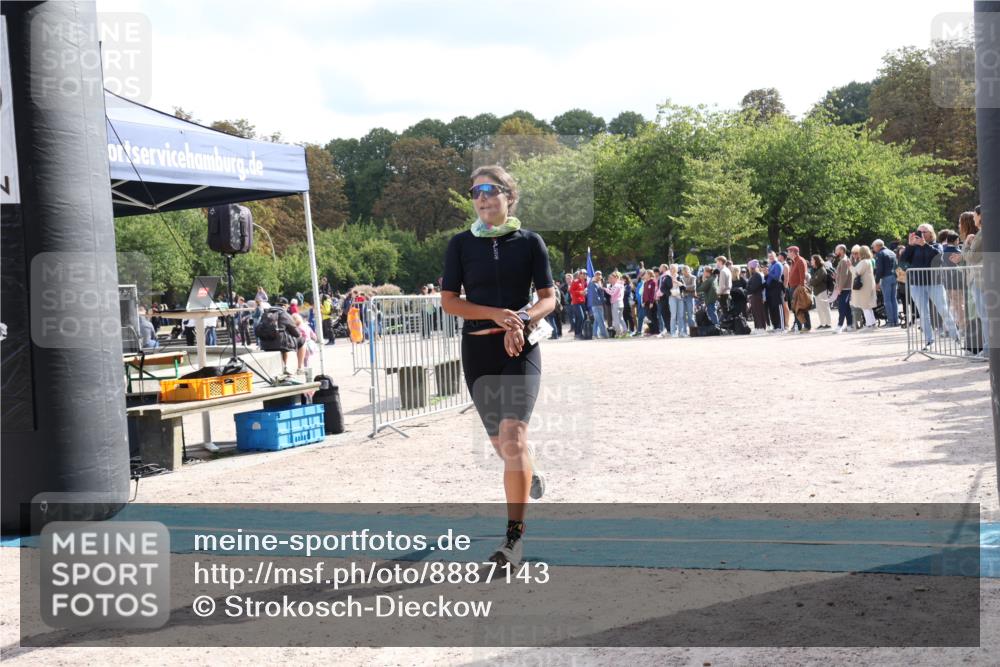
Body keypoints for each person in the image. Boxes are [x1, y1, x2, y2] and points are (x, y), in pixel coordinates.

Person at [440, 165, 556, 567]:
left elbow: (548, 298)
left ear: (509, 195)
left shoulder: (530, 242)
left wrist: (521, 321)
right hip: (478, 351)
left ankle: (512, 541)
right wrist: (495, 315)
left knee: (513, 436)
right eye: (475, 193)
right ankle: (528, 465)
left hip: (521, 349)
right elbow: (450, 302)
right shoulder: (459, 245)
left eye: (490, 190)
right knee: (502, 445)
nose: (482, 198)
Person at [902, 223, 960, 349]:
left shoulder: (936, 245)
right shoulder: (914, 247)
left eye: (924, 231)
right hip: (916, 284)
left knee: (943, 310)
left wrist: (925, 245)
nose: (921, 234)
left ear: (931, 233)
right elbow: (903, 260)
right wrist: (910, 245)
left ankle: (956, 337)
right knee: (923, 313)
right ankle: (929, 340)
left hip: (935, 283)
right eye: (919, 231)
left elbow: (938, 258)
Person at [963, 206, 989, 357]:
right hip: (980, 279)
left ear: (980, 216)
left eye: (974, 216)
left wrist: (966, 244)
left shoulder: (982, 234)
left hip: (980, 280)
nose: (973, 219)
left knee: (985, 315)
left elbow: (971, 257)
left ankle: (987, 350)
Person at [255, 300, 302, 375]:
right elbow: (296, 332)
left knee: (281, 343)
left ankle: (276, 370)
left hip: (265, 344)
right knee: (302, 341)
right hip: (281, 345)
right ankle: (294, 367)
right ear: (284, 306)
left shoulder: (265, 313)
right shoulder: (284, 314)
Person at [850, 245, 878, 331]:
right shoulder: (869, 261)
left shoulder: (863, 262)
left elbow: (856, 272)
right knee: (868, 306)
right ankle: (872, 324)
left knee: (865, 306)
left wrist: (850, 266)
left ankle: (869, 325)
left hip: (864, 288)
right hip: (869, 286)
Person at [873, 239, 899, 327]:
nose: (873, 249)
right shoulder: (892, 252)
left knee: (887, 300)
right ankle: (896, 321)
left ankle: (891, 321)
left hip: (886, 278)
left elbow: (879, 269)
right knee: (893, 299)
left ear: (878, 246)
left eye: (873, 247)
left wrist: (876, 282)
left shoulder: (880, 254)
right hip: (894, 277)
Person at [830, 244, 854, 334]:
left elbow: (844, 276)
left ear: (841, 250)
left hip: (844, 288)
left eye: (836, 250)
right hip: (844, 287)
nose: (835, 252)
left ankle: (839, 326)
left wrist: (839, 288)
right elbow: (842, 275)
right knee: (846, 307)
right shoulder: (843, 260)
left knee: (842, 307)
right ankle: (849, 325)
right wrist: (836, 276)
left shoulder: (844, 260)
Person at [785, 246, 810, 331]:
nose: (787, 253)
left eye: (789, 251)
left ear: (793, 252)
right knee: (795, 308)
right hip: (793, 287)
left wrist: (801, 289)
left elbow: (802, 277)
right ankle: (797, 325)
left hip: (798, 288)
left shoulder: (800, 261)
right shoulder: (793, 261)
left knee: (802, 307)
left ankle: (807, 326)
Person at [808, 254, 833, 330]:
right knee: (819, 309)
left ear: (816, 260)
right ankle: (822, 323)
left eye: (812, 260)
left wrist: (811, 281)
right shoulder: (816, 270)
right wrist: (811, 280)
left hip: (822, 291)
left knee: (825, 307)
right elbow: (813, 280)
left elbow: (815, 281)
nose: (811, 261)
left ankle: (828, 323)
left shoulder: (822, 269)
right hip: (817, 292)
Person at [746, 259, 768, 333]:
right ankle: (758, 327)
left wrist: (747, 288)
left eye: (749, 267)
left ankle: (761, 328)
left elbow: (754, 288)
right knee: (756, 312)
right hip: (755, 296)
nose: (748, 268)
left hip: (757, 296)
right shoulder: (755, 275)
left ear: (752, 267)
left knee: (758, 312)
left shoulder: (756, 275)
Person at [764, 252, 785, 332]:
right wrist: (766, 275)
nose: (771, 258)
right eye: (769, 256)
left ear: (775, 256)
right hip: (770, 290)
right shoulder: (770, 265)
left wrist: (768, 273)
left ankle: (781, 326)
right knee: (772, 309)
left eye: (772, 256)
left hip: (777, 289)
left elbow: (777, 277)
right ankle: (776, 326)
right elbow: (768, 277)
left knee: (778, 307)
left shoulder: (778, 264)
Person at [587, 272, 610, 339]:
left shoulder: (597, 283)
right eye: (598, 275)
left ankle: (594, 334)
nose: (600, 276)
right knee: (600, 320)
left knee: (597, 320)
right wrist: (602, 301)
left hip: (597, 304)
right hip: (597, 304)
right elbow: (595, 296)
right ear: (595, 276)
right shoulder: (593, 284)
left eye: (600, 275)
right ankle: (604, 334)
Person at [569, 270, 588, 338]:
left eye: (585, 274)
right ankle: (578, 333)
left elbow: (583, 292)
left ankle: (577, 334)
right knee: (581, 317)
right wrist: (579, 292)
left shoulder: (583, 282)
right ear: (579, 275)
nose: (584, 275)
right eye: (583, 274)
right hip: (576, 302)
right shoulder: (575, 281)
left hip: (582, 302)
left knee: (579, 318)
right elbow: (571, 291)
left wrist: (584, 293)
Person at [608, 272, 627, 338]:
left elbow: (611, 293)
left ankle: (618, 332)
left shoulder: (616, 285)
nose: (611, 279)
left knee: (616, 319)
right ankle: (624, 331)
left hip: (616, 303)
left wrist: (605, 289)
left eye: (612, 278)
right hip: (621, 303)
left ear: (616, 278)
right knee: (621, 318)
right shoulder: (621, 284)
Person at [667, 264, 684, 338]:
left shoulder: (680, 277)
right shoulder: (667, 278)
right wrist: (670, 293)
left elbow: (684, 287)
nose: (672, 269)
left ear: (676, 269)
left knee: (681, 315)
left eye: (673, 268)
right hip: (672, 297)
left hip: (680, 297)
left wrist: (678, 283)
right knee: (673, 315)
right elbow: (663, 288)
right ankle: (673, 332)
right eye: (671, 268)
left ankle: (681, 332)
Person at [680, 265, 696, 335]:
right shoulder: (681, 278)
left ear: (689, 271)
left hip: (690, 296)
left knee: (690, 314)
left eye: (686, 271)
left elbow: (693, 287)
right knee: (682, 315)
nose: (685, 273)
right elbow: (680, 287)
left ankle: (692, 331)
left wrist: (684, 287)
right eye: (684, 271)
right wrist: (685, 288)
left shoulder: (693, 277)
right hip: (683, 297)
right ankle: (684, 331)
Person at [641, 269, 658, 335]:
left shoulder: (652, 282)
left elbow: (652, 293)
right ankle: (651, 331)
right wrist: (643, 301)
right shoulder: (645, 283)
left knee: (653, 317)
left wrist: (651, 302)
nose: (644, 275)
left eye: (646, 274)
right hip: (646, 303)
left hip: (651, 303)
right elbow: (644, 293)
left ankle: (656, 331)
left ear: (649, 274)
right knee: (648, 318)